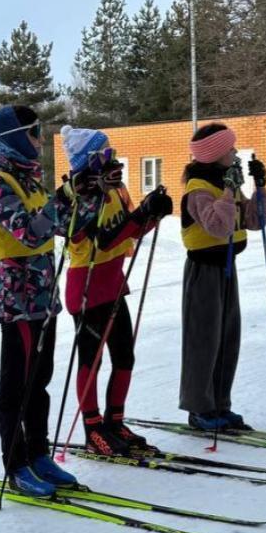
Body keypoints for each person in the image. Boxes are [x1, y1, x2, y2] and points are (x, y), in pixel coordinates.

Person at [0, 105, 78, 497]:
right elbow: (30, 233)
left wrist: (74, 198)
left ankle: (38, 453)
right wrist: (60, 201)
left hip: (43, 294)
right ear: (16, 135)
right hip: (16, 299)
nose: (39, 140)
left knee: (40, 381)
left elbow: (60, 227)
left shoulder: (32, 180)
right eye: (34, 132)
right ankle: (15, 463)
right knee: (16, 384)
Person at [56, 126, 171, 456]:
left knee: (124, 356)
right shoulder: (80, 196)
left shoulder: (116, 191)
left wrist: (153, 211)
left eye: (112, 152)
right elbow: (104, 238)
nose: (112, 159)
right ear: (87, 160)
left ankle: (115, 421)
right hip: (87, 287)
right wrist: (141, 215)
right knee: (90, 360)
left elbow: (129, 234)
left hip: (114, 284)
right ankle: (93, 429)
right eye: (104, 154)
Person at [178, 123, 266, 429]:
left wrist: (259, 186)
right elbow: (218, 226)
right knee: (204, 340)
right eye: (230, 148)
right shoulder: (198, 189)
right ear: (215, 154)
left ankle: (219, 403)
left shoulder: (226, 182)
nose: (234, 152)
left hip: (227, 268)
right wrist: (230, 191)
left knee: (227, 339)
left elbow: (255, 221)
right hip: (203, 271)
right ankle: (199, 408)